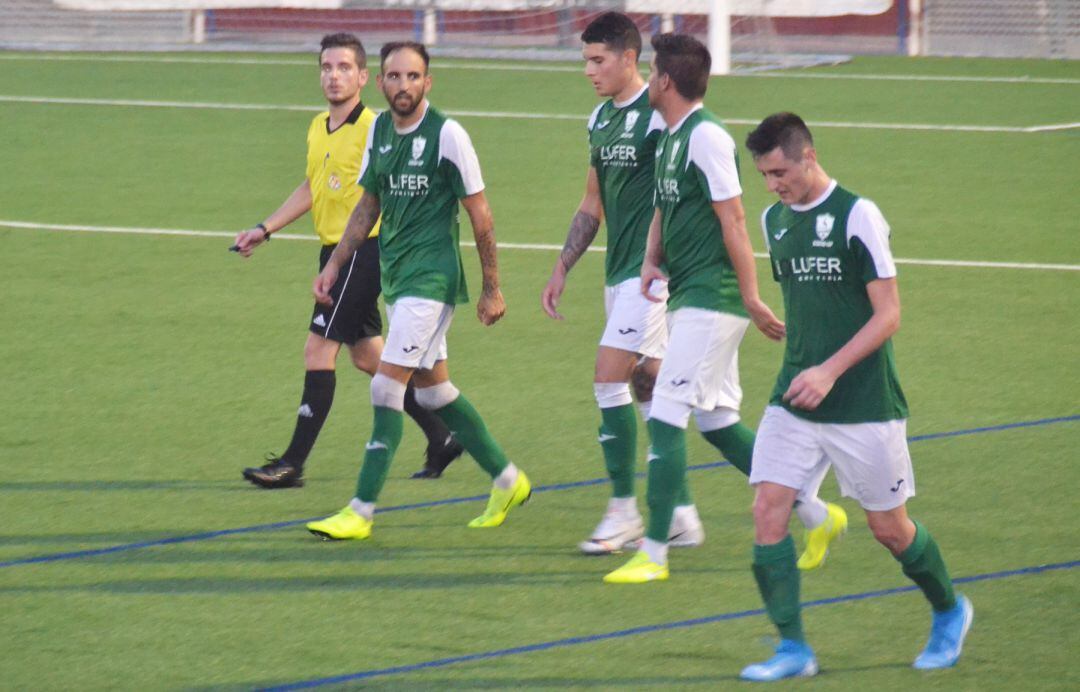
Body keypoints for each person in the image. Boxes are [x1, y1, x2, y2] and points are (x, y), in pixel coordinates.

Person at [738, 112, 972, 681]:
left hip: (863, 401)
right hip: (795, 395)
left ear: (809, 156)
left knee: (890, 529)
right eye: (764, 175)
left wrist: (830, 371)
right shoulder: (774, 221)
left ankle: (950, 609)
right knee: (768, 511)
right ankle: (793, 649)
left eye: (780, 171)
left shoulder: (858, 215)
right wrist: (804, 363)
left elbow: (888, 315)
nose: (773, 185)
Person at [603, 34, 845, 585]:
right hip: (689, 294)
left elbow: (734, 219)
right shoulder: (669, 135)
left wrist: (754, 297)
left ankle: (655, 553)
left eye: (652, 71)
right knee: (716, 420)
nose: (647, 78)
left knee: (665, 412)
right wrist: (650, 258)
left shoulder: (708, 138)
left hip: (713, 300)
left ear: (664, 80)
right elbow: (666, 204)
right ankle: (815, 513)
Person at [305, 41, 531, 541]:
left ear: (428, 82)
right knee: (434, 393)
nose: (402, 85)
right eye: (393, 76)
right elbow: (368, 206)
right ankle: (508, 479)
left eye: (412, 77)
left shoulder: (448, 135)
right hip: (398, 278)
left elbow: (482, 217)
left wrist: (493, 287)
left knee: (386, 386)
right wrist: (336, 266)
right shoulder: (381, 131)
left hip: (432, 281)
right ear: (380, 82)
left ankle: (360, 511)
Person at [233, 33, 463, 490]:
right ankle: (443, 435)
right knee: (369, 358)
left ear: (363, 78)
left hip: (363, 251)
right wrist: (265, 228)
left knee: (318, 349)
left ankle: (292, 464)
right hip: (334, 252)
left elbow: (386, 195)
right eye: (325, 67)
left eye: (343, 67)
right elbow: (312, 186)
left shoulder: (375, 129)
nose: (333, 75)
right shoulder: (318, 126)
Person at [541, 12, 703, 555]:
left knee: (607, 378)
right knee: (649, 385)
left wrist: (667, 262)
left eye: (598, 60)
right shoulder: (599, 120)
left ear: (629, 59)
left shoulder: (659, 116)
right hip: (618, 273)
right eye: (585, 60)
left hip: (651, 275)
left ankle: (624, 511)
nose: (589, 71)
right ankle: (679, 513)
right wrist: (563, 265)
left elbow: (681, 190)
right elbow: (593, 201)